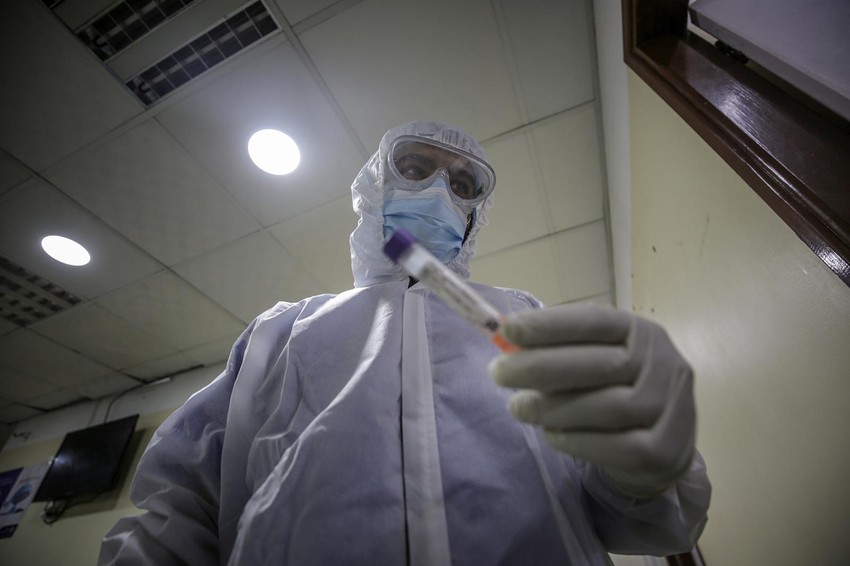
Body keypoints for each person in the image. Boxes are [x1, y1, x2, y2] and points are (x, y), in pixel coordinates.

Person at [99, 121, 710, 565]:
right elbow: (179, 512)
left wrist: (642, 472)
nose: (441, 192)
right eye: (416, 169)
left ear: (473, 216)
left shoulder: (518, 317)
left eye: (462, 183)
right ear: (374, 189)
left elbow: (639, 524)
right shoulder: (283, 331)